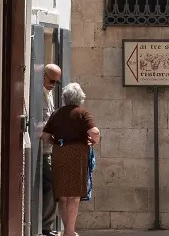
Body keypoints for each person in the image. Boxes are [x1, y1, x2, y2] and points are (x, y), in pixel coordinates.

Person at [41, 82, 100, 236]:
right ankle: (69, 232)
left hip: (59, 154)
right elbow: (95, 132)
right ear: (80, 97)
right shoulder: (82, 113)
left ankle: (66, 230)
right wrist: (93, 141)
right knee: (74, 196)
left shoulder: (57, 114)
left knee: (62, 195)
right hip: (77, 155)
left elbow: (45, 137)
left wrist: (56, 142)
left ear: (65, 98)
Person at [39, 64, 62, 236]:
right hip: (41, 148)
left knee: (51, 185)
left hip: (48, 148)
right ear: (43, 76)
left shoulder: (50, 93)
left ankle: (46, 225)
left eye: (56, 82)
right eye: (51, 81)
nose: (53, 85)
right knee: (51, 185)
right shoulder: (37, 93)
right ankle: (45, 226)